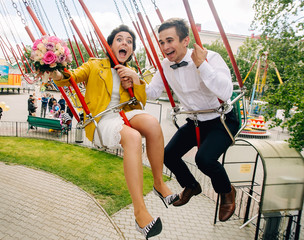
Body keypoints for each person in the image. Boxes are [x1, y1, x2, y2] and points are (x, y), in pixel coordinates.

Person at [50, 25, 177, 239]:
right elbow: (70, 77)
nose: (125, 43)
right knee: (133, 137)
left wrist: (135, 79)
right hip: (101, 119)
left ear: (131, 50)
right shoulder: (94, 65)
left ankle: (158, 183)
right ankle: (140, 213)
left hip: (123, 114)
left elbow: (141, 102)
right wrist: (55, 68)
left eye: (129, 41)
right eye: (120, 39)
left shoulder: (130, 71)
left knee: (154, 125)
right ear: (110, 45)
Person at [122, 18, 239, 222]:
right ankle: (192, 186)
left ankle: (227, 191)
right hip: (196, 122)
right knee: (167, 155)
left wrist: (202, 65)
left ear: (185, 41)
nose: (165, 47)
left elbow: (226, 90)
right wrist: (134, 79)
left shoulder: (211, 58)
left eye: (170, 40)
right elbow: (152, 92)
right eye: (161, 42)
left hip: (221, 119)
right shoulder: (165, 66)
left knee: (203, 159)